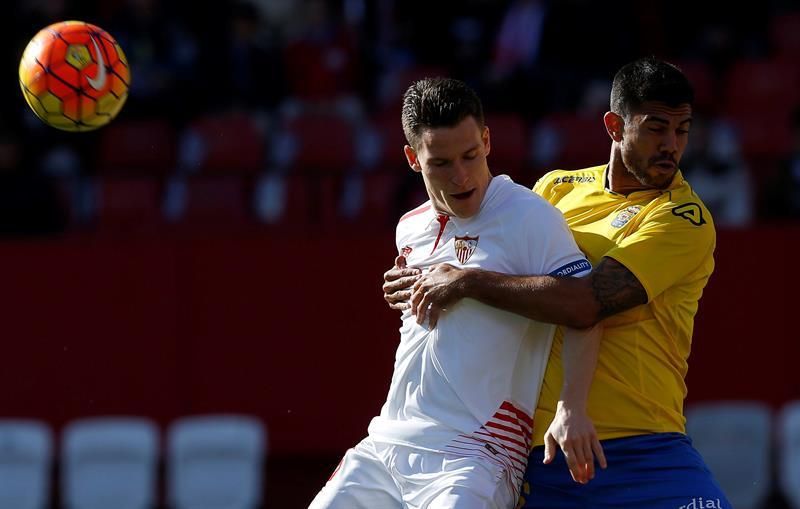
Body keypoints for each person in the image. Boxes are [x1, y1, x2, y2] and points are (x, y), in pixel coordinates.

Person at [383, 58, 731, 508]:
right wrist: (422, 271)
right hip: (547, 451)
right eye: (655, 128)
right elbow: (492, 247)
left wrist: (463, 280)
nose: (671, 145)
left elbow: (585, 304)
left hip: (646, 442)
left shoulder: (684, 219)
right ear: (613, 126)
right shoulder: (557, 189)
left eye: (682, 130)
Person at [311, 78, 604, 509]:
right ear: (413, 159)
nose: (462, 175)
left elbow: (585, 304)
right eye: (442, 163)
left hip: (476, 454)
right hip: (385, 443)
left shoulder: (528, 217)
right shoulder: (409, 227)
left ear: (487, 140)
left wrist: (572, 408)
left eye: (470, 155)